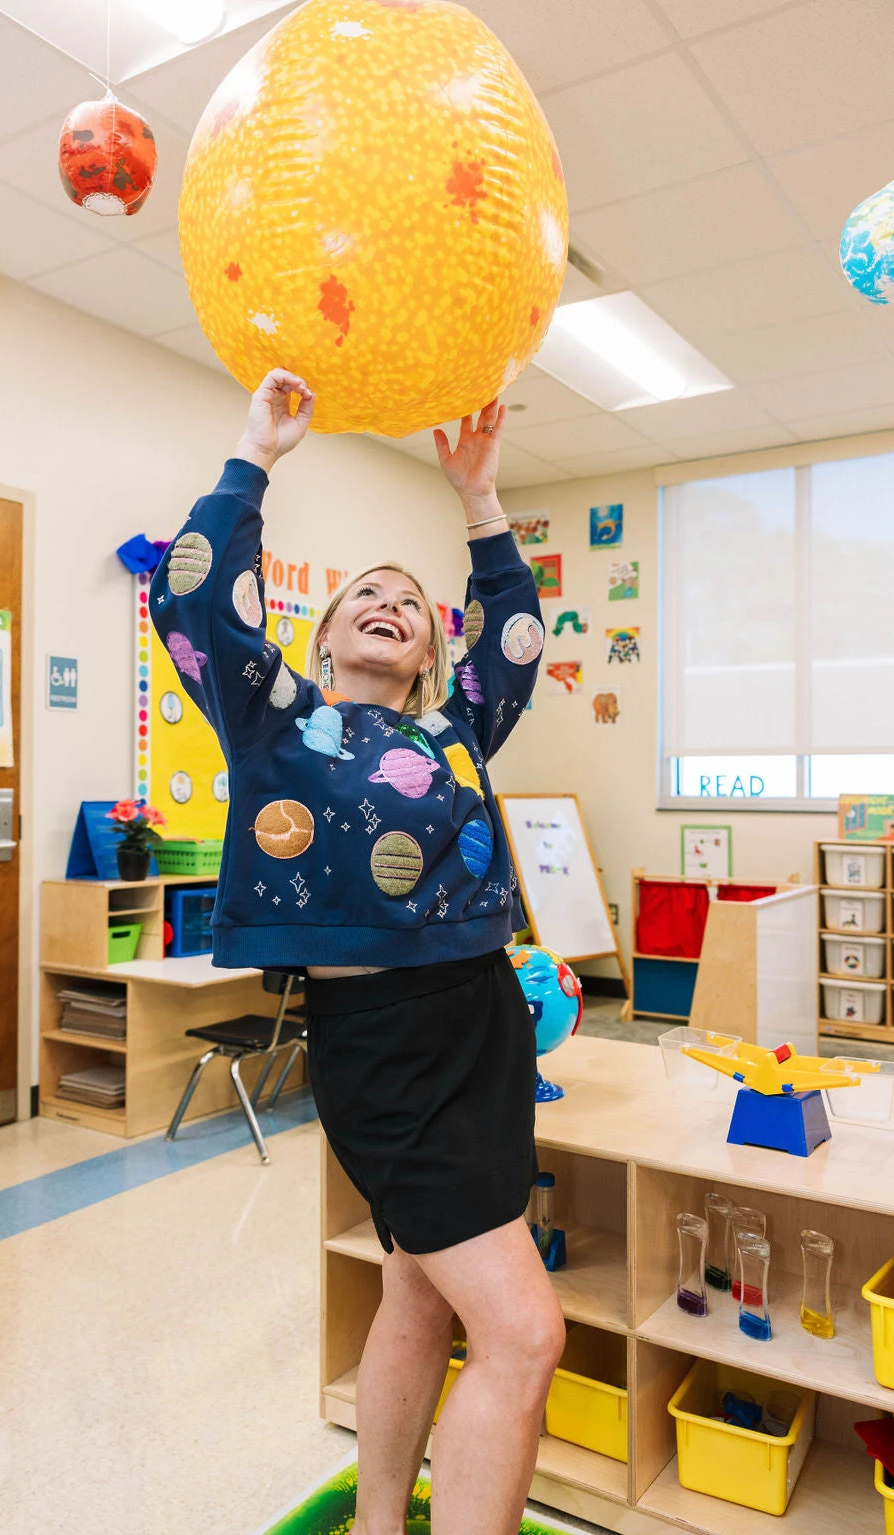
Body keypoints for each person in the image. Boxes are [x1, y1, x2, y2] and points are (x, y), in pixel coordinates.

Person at [151, 370, 563, 1535]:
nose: (390, 601)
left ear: (429, 651)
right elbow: (194, 600)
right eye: (364, 594)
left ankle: (380, 1521)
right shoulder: (278, 717)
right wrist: (255, 453)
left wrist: (479, 499)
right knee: (525, 1332)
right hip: (386, 1049)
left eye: (411, 601)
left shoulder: (455, 728)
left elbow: (515, 641)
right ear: (324, 634)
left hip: (484, 1023)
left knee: (419, 1295)